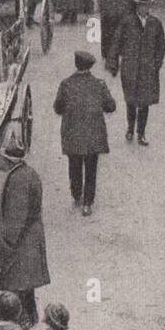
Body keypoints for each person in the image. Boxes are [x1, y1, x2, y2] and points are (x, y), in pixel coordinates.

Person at [0, 142, 50, 327]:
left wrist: (5, 246)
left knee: (17, 282)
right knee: (27, 284)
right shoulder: (28, 172)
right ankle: (31, 316)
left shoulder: (18, 181)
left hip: (23, 242)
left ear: (8, 160)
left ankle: (23, 320)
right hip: (31, 235)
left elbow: (15, 219)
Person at [53, 50, 117, 215]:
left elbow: (57, 107)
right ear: (90, 66)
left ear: (76, 65)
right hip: (93, 135)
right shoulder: (99, 84)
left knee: (74, 166)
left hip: (73, 134)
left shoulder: (66, 84)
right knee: (91, 168)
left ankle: (76, 195)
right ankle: (88, 203)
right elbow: (111, 106)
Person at [106, 0, 165, 145]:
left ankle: (141, 133)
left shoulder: (155, 23)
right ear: (137, 6)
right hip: (130, 69)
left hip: (147, 70)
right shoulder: (127, 22)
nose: (144, 9)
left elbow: (162, 46)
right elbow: (116, 42)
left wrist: (156, 64)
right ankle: (130, 129)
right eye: (141, 6)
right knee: (131, 101)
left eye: (146, 6)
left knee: (145, 103)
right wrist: (113, 62)